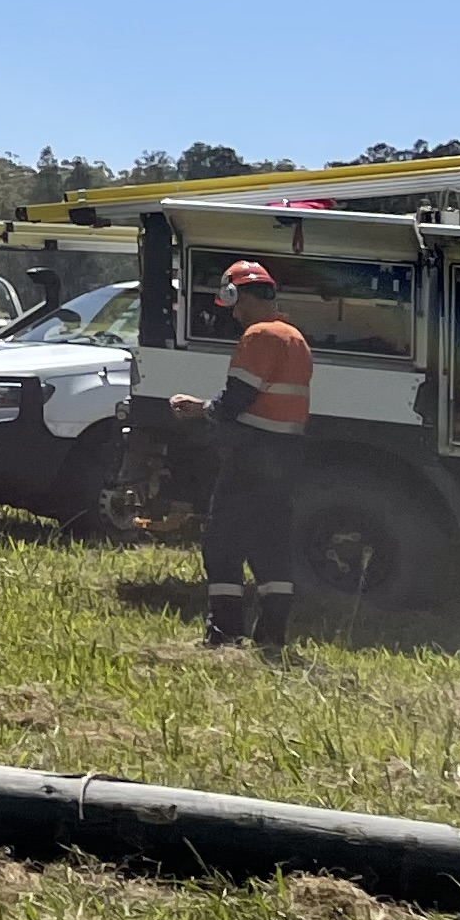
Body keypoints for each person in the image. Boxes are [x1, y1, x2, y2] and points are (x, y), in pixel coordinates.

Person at [172, 258, 312, 652]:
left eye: (233, 305)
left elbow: (236, 399)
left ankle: (223, 633)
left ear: (241, 297)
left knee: (222, 543)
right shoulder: (295, 338)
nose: (233, 315)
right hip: (286, 455)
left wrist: (199, 409)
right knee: (271, 546)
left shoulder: (258, 335)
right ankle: (271, 637)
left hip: (252, 454)